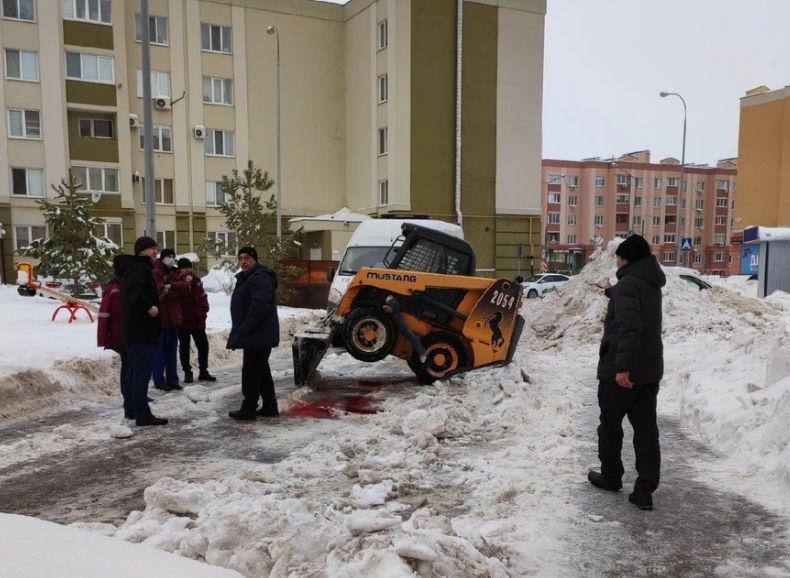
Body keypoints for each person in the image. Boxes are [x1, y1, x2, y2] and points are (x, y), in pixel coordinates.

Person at [588, 234, 665, 511]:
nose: (617, 260)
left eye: (619, 256)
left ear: (627, 258)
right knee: (646, 431)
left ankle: (611, 476)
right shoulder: (648, 283)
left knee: (610, 425)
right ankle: (645, 490)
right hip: (649, 371)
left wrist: (622, 369)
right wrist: (613, 292)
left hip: (622, 373)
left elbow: (629, 329)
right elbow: (636, 307)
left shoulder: (627, 285)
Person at [227, 246, 280, 420]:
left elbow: (259, 307)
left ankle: (249, 408)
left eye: (247, 258)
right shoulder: (248, 277)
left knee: (250, 371)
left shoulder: (261, 277)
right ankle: (270, 406)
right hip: (256, 333)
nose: (243, 261)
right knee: (261, 370)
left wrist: (245, 328)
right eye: (241, 258)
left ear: (255, 259)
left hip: (258, 333)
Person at [121, 236, 167, 426]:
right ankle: (142, 414)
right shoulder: (140, 269)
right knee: (141, 373)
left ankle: (132, 410)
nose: (156, 252)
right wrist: (150, 307)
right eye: (153, 249)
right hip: (141, 331)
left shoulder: (132, 268)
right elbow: (134, 293)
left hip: (133, 330)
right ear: (142, 251)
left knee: (133, 371)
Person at [97, 254, 134, 409]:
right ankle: (128, 396)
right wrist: (105, 337)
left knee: (129, 365)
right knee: (129, 365)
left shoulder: (116, 286)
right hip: (122, 336)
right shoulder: (118, 289)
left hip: (121, 334)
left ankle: (131, 395)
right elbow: (108, 316)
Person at [152, 248, 190, 391]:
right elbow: (160, 291)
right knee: (160, 352)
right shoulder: (156, 272)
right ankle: (159, 380)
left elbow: (186, 288)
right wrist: (172, 289)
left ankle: (172, 380)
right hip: (162, 319)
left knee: (171, 352)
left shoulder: (173, 272)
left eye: (173, 256)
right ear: (162, 258)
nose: (171, 259)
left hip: (174, 318)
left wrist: (171, 286)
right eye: (169, 256)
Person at [176, 257, 215, 384]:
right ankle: (187, 371)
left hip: (198, 319)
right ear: (180, 269)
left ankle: (203, 371)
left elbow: (203, 296)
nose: (188, 270)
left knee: (203, 346)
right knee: (184, 347)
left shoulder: (197, 281)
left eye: (189, 267)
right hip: (183, 321)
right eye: (184, 267)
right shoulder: (177, 281)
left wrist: (205, 308)